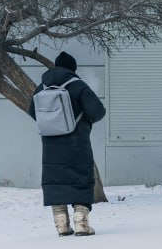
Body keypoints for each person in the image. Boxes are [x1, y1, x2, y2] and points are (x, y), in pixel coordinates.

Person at [27, 51, 106, 237]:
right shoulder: (78, 86)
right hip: (77, 142)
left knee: (55, 181)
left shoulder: (41, 87)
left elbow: (32, 112)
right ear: (73, 68)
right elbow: (98, 111)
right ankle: (82, 223)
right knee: (80, 177)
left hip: (50, 145)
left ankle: (61, 224)